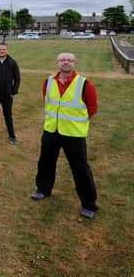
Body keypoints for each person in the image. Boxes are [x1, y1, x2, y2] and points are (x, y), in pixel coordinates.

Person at [30, 52, 99, 219]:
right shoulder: (48, 82)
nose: (66, 63)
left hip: (73, 134)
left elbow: (92, 108)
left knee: (80, 168)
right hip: (51, 130)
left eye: (69, 60)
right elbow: (48, 102)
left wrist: (76, 123)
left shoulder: (85, 85)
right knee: (45, 161)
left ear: (74, 63)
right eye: (62, 60)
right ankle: (43, 189)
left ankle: (89, 204)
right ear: (57, 63)